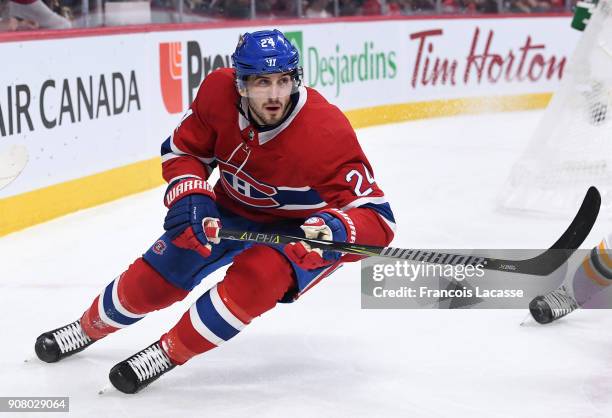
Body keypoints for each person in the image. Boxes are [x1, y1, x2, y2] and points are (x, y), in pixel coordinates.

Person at [34, 29, 396, 394]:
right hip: (229, 208)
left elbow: (378, 219)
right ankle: (85, 328)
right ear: (240, 84)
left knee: (258, 278)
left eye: (284, 82)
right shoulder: (216, 93)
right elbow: (183, 151)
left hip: (302, 232)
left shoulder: (325, 132)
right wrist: (192, 194)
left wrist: (328, 233)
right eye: (261, 83)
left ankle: (167, 352)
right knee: (160, 276)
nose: (274, 96)